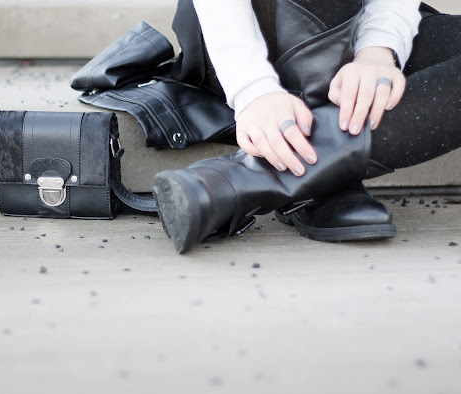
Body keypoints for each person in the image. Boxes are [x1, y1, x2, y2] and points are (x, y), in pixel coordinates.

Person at [152, 0, 461, 253]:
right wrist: (253, 88)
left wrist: (378, 51)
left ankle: (250, 178)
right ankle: (302, 162)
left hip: (361, 26)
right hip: (246, 41)